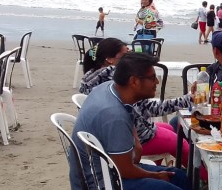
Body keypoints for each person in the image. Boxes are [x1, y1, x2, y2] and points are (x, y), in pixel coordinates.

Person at [70, 52, 205, 190]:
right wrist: (154, 176)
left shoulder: (109, 88)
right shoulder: (113, 115)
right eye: (152, 78)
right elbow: (125, 169)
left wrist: (135, 139)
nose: (156, 82)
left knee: (180, 177)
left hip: (106, 170)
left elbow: (130, 113)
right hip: (101, 185)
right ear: (134, 81)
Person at [79, 38, 191, 167]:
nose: (131, 58)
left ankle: (153, 165)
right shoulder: (119, 83)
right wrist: (187, 100)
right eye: (126, 55)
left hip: (119, 134)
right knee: (181, 145)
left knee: (169, 127)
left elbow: (143, 110)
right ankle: (202, 180)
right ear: (110, 59)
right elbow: (150, 109)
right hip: (126, 140)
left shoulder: (95, 78)